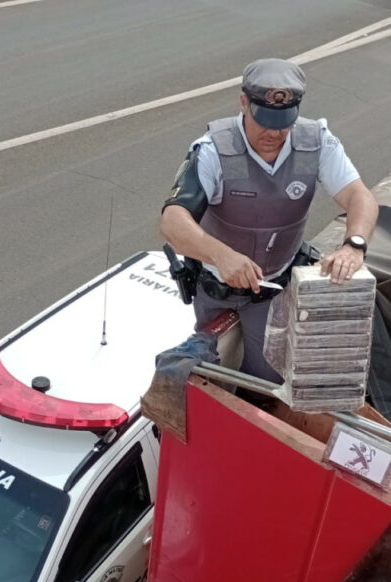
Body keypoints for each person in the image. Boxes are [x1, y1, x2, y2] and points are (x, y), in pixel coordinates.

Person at [160, 58, 379, 382]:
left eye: (284, 122)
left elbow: (360, 196)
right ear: (244, 103)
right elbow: (173, 220)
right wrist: (220, 255)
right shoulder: (216, 150)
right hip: (216, 289)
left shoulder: (315, 141)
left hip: (274, 287)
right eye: (264, 120)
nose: (274, 133)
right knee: (212, 379)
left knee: (268, 380)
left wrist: (354, 245)